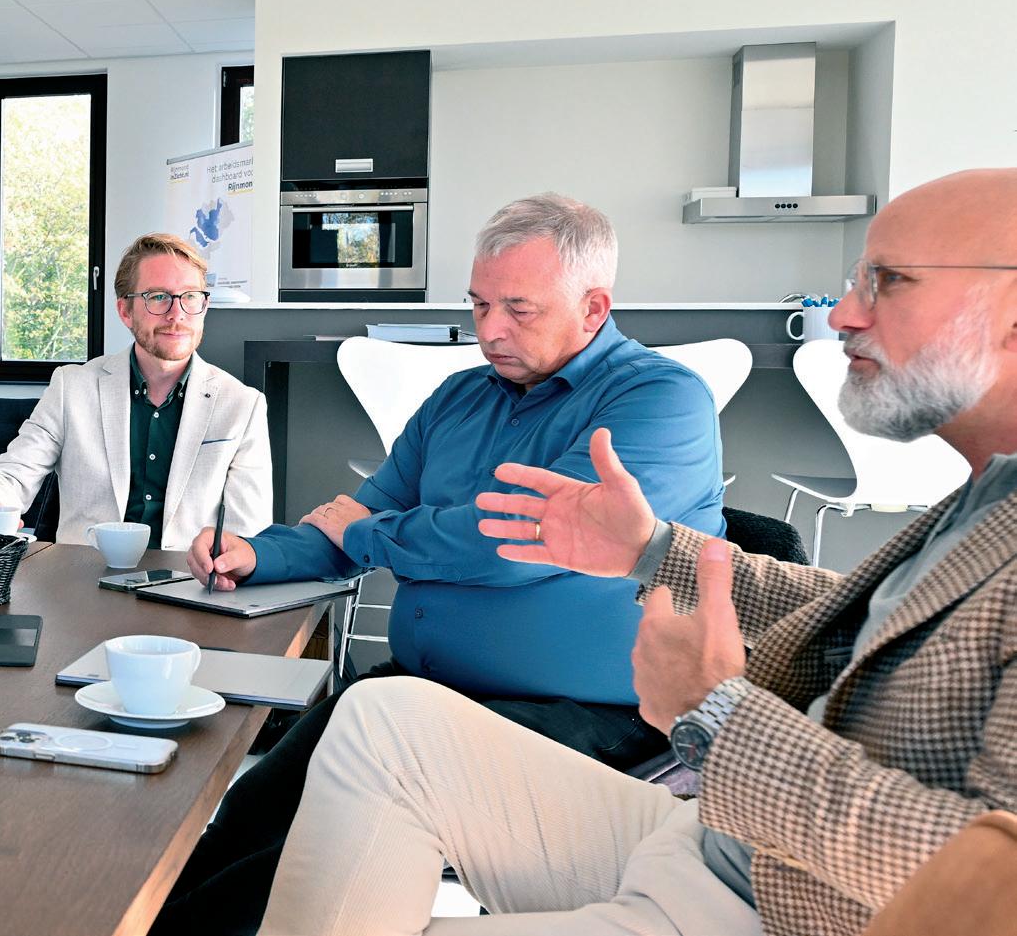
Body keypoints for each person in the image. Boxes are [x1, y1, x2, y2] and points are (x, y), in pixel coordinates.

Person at [261, 167, 1017, 935]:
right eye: (857, 280)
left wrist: (719, 712)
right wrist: (652, 549)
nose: (845, 314)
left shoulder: (654, 393)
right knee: (375, 722)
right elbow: (860, 623)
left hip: (777, 902)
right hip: (718, 843)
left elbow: (989, 883)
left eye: (888, 281)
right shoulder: (986, 498)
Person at [154, 194, 725, 934]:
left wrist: (368, 534)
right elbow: (357, 516)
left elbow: (511, 543)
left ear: (593, 308)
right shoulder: (459, 397)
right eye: (479, 304)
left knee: (303, 849)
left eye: (518, 309)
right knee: (250, 812)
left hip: (588, 712)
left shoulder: (661, 399)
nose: (489, 330)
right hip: (421, 689)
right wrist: (257, 552)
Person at [0, 233, 272, 550]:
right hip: (83, 578)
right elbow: (15, 472)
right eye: (158, 297)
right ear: (125, 311)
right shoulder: (71, 388)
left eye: (190, 297)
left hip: (188, 580)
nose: (177, 314)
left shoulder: (243, 405)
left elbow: (248, 535)